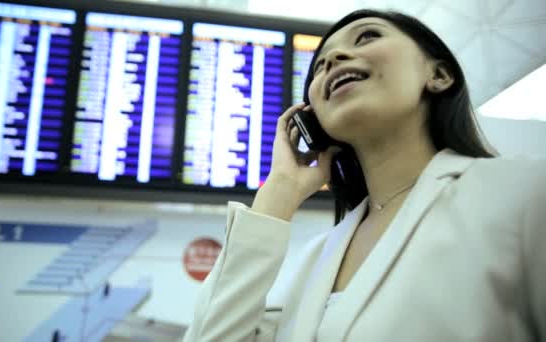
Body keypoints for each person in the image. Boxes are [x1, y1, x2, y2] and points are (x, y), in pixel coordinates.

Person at [183, 9, 546, 342]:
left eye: (367, 37)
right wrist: (278, 192)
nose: (333, 60)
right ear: (314, 120)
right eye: (320, 65)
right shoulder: (314, 259)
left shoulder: (523, 190)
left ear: (438, 74)